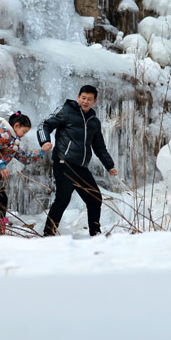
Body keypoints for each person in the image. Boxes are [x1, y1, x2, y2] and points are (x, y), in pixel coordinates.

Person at [37, 85, 118, 236]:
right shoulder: (66, 111)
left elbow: (99, 147)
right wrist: (44, 141)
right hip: (64, 163)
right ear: (78, 97)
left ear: (95, 101)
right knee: (63, 198)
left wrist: (109, 165)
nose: (86, 101)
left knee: (94, 198)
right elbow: (44, 124)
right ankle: (48, 233)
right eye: (83, 98)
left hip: (80, 167)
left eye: (89, 99)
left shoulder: (94, 121)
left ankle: (96, 234)